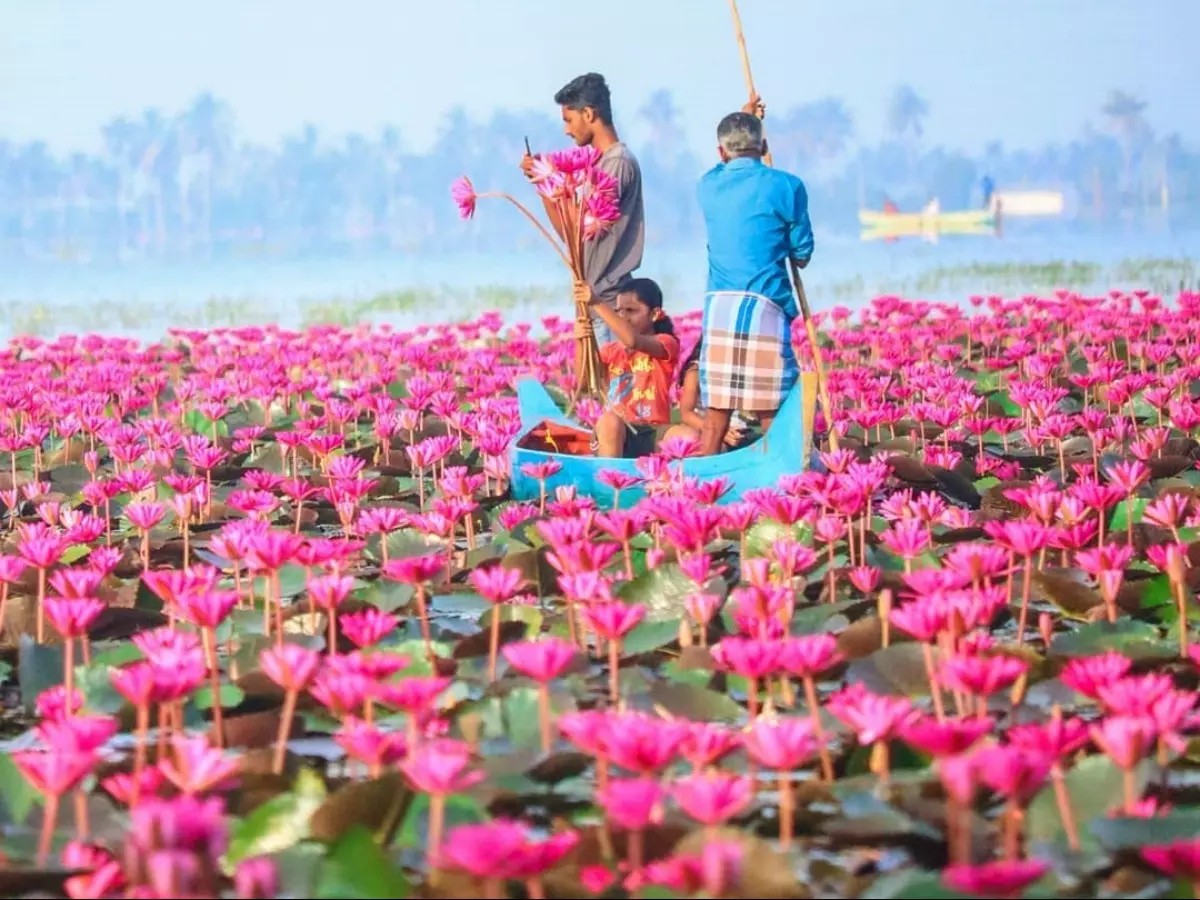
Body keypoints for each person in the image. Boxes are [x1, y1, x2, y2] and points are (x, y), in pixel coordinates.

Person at [694, 97, 813, 456]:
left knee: (717, 410)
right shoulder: (788, 186)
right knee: (771, 407)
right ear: (763, 146)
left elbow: (721, 166)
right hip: (766, 305)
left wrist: (745, 115)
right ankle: (786, 469)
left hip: (720, 306)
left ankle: (704, 478)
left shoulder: (707, 186)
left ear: (721, 151)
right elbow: (802, 255)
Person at [521, 72, 644, 344]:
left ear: (588, 114)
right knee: (594, 388)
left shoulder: (617, 163)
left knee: (613, 387)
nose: (566, 130)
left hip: (609, 304)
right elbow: (571, 235)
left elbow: (584, 228)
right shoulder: (595, 164)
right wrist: (543, 183)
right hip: (590, 305)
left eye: (568, 119)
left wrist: (552, 180)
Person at [572, 276, 678, 458]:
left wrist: (597, 302)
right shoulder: (610, 351)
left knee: (687, 436)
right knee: (609, 421)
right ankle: (611, 481)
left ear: (654, 314)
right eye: (619, 311)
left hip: (654, 430)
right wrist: (581, 340)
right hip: (618, 432)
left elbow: (632, 340)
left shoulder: (666, 343)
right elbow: (584, 385)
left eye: (631, 310)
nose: (623, 317)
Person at [662, 338, 753, 450]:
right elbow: (686, 414)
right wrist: (718, 432)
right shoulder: (696, 371)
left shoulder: (737, 367)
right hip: (703, 429)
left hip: (737, 431)